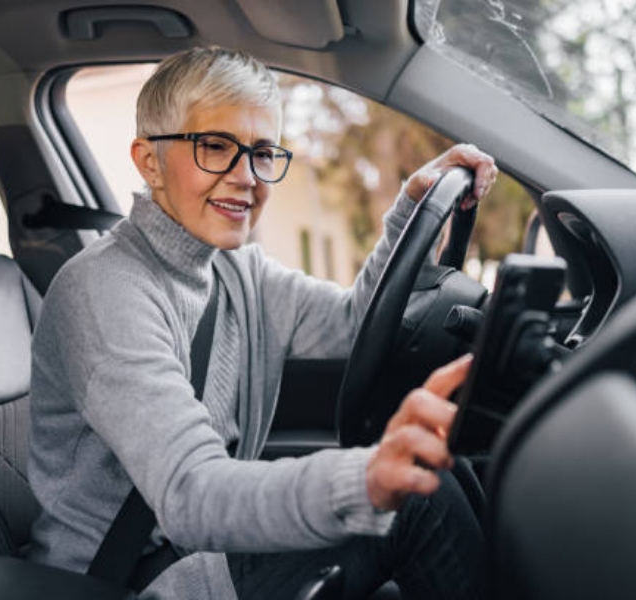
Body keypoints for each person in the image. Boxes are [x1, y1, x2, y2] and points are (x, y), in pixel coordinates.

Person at [28, 46, 499, 599]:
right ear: (149, 161)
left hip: (204, 550)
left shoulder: (237, 270)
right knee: (419, 497)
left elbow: (354, 324)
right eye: (215, 147)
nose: (246, 176)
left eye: (261, 152)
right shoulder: (104, 290)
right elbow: (189, 493)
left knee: (453, 468)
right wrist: (366, 480)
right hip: (123, 580)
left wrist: (409, 211)